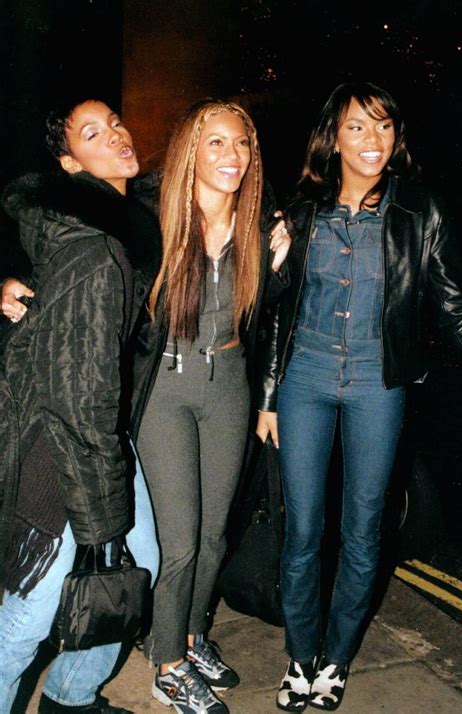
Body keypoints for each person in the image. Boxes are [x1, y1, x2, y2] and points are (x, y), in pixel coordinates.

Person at [256, 81, 462, 712]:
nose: (372, 139)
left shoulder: (420, 209)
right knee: (302, 527)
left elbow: (455, 304)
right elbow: (274, 312)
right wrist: (268, 395)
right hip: (305, 379)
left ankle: (336, 658)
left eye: (383, 125)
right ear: (334, 137)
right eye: (357, 126)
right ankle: (301, 655)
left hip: (379, 383)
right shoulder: (301, 210)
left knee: (363, 526)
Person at [0, 98, 160, 714]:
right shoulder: (94, 248)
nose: (116, 134)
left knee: (139, 564)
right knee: (30, 615)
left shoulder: (114, 226)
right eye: (93, 134)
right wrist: (99, 520)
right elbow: (77, 392)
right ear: (70, 163)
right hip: (62, 447)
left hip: (97, 431)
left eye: (115, 122)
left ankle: (71, 696)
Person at [130, 98, 290, 714]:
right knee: (181, 542)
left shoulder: (259, 226)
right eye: (216, 142)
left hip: (228, 385)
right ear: (191, 150)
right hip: (166, 389)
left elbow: (271, 314)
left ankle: (192, 636)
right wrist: (13, 280)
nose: (232, 155)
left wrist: (281, 261)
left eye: (242, 142)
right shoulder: (152, 216)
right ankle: (167, 662)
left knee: (215, 535)